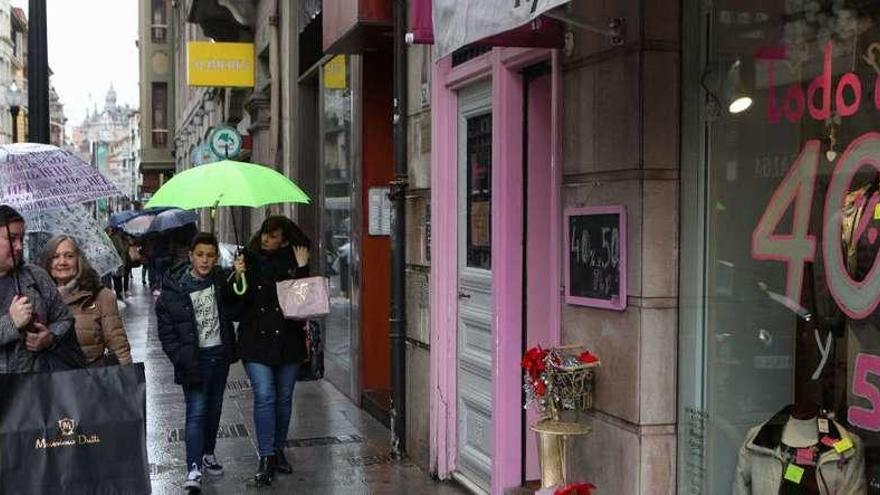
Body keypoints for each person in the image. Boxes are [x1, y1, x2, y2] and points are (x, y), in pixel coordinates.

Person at [156, 232, 238, 492]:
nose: (205, 260)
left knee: (214, 409)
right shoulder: (174, 289)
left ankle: (208, 453)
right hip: (193, 361)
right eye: (200, 255)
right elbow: (166, 331)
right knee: (196, 412)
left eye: (210, 255)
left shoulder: (220, 281)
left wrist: (240, 274)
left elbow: (239, 304)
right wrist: (180, 357)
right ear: (190, 256)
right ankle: (193, 467)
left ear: (216, 258)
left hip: (219, 357)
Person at [234, 215, 310, 485]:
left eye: (274, 235)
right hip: (256, 340)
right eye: (265, 234)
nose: (267, 239)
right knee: (265, 395)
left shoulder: (296, 260)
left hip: (288, 340)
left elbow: (305, 302)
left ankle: (278, 450)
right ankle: (265, 457)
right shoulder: (248, 259)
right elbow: (235, 305)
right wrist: (238, 275)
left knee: (284, 397)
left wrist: (302, 269)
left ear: (285, 239)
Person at [0, 205, 76, 373]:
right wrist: (11, 323)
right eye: (12, 238)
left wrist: (50, 337)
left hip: (34, 388)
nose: (19, 246)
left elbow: (65, 320)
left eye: (21, 238)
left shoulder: (35, 277)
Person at [38, 235, 132, 367]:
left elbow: (119, 347)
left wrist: (127, 381)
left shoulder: (101, 296)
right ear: (47, 262)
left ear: (79, 260)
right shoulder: (36, 296)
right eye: (55, 256)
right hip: (49, 383)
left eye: (69, 256)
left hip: (89, 381)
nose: (62, 262)